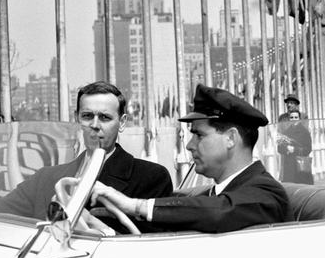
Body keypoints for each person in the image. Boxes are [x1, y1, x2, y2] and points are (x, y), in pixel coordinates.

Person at [90, 84, 288, 233]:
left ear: (230, 138)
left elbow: (218, 212)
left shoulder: (267, 195)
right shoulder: (213, 196)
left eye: (199, 135)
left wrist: (135, 205)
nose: (189, 145)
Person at [0, 81, 172, 219]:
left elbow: (149, 242)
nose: (95, 125)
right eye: (88, 116)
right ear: (77, 119)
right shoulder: (46, 178)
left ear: (122, 122)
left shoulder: (151, 177)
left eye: (105, 117)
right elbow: (0, 208)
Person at [278, 94, 313, 184]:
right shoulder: (282, 118)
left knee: (301, 181)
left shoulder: (303, 117)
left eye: (292, 103)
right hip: (287, 156)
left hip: (299, 158)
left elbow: (304, 142)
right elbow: (280, 135)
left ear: (296, 105)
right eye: (288, 103)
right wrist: (285, 145)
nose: (289, 105)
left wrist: (294, 148)